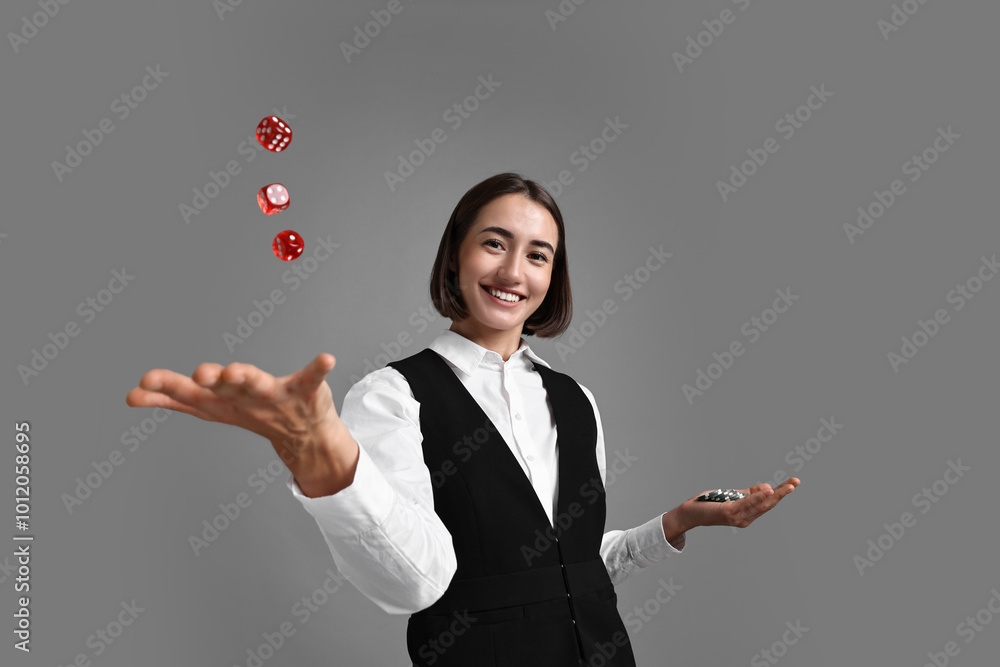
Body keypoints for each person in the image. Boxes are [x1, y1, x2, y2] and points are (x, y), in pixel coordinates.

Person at [126, 172, 799, 666]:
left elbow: (569, 565)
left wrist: (676, 522)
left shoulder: (577, 399)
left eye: (538, 254)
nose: (514, 270)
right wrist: (322, 459)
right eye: (494, 244)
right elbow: (419, 580)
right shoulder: (394, 395)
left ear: (552, 275)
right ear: (455, 255)